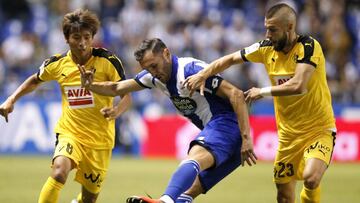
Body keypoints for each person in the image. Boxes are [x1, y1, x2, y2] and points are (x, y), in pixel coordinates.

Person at [183, 3, 336, 203]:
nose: (267, 34)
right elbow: (228, 60)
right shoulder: (266, 48)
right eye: (266, 28)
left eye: (273, 29)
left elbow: (299, 85)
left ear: (289, 27)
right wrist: (203, 74)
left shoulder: (308, 46)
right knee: (283, 196)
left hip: (318, 130)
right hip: (288, 136)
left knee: (311, 178)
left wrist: (261, 92)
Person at [78, 38, 257, 203]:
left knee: (193, 158)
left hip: (227, 123)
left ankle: (164, 200)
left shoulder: (189, 70)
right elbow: (117, 87)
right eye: (148, 69)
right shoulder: (154, 78)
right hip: (228, 141)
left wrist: (246, 138)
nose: (154, 73)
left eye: (155, 66)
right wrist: (90, 85)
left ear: (166, 53)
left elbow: (236, 94)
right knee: (186, 194)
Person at [0, 9, 132, 203]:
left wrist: (116, 111)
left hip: (100, 140)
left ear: (93, 37)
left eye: (87, 37)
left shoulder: (109, 61)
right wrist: (12, 99)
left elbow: (126, 95)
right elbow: (35, 80)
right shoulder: (58, 63)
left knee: (88, 199)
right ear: (66, 38)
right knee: (59, 173)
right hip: (71, 133)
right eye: (76, 37)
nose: (82, 43)